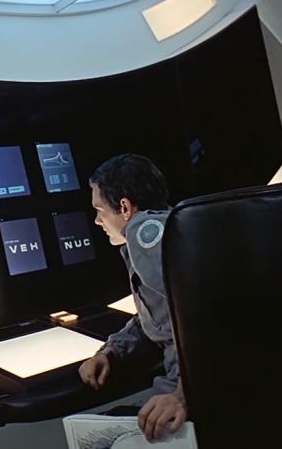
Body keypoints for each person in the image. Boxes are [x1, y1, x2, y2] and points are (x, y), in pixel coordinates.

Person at [77, 153, 186, 442]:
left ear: (124, 207)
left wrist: (182, 395)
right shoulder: (174, 227)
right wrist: (111, 351)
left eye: (99, 210)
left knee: (94, 440)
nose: (97, 220)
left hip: (190, 397)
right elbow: (161, 315)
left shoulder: (143, 233)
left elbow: (205, 315)